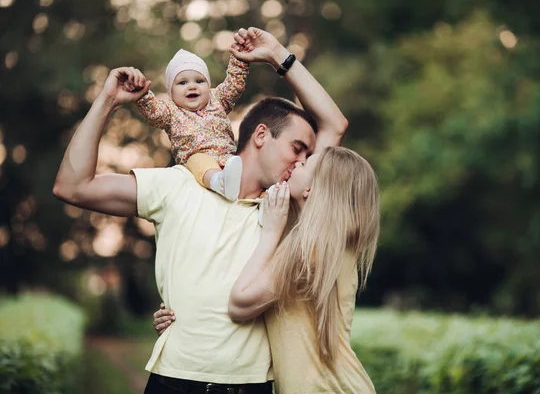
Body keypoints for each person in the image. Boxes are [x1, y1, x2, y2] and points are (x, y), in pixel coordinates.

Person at [53, 27, 348, 394]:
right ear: (260, 136)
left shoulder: (286, 205)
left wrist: (276, 54)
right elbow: (72, 186)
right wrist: (108, 100)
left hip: (249, 385)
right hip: (173, 380)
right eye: (298, 148)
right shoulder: (177, 184)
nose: (305, 162)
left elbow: (335, 124)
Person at [155, 145, 380, 393]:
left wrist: (271, 232)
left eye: (305, 165)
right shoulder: (332, 243)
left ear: (310, 189)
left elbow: (239, 304)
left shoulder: (311, 249)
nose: (296, 164)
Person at [135, 49, 248, 201]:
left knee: (248, 166)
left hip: (228, 161)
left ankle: (263, 197)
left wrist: (239, 58)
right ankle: (218, 181)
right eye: (182, 82)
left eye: (199, 81)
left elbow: (234, 84)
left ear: (208, 86)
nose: (192, 86)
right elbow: (153, 112)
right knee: (198, 160)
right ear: (171, 93)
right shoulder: (171, 111)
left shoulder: (217, 100)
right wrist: (142, 94)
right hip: (196, 169)